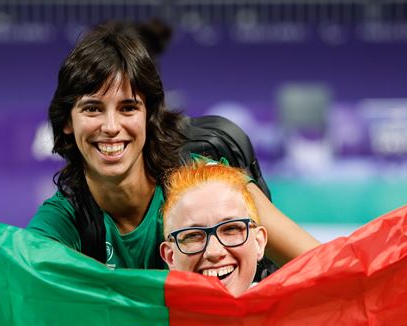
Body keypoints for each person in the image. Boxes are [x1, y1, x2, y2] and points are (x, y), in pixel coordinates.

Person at [27, 22, 318, 270]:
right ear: (67, 121)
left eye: (128, 108)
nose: (112, 127)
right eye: (92, 109)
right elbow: (11, 285)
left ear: (149, 117)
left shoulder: (208, 180)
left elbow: (322, 266)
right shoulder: (63, 220)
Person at [160, 162, 267, 296]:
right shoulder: (152, 316)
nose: (214, 252)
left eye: (231, 229)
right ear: (170, 256)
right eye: (193, 236)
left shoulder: (290, 312)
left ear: (259, 242)